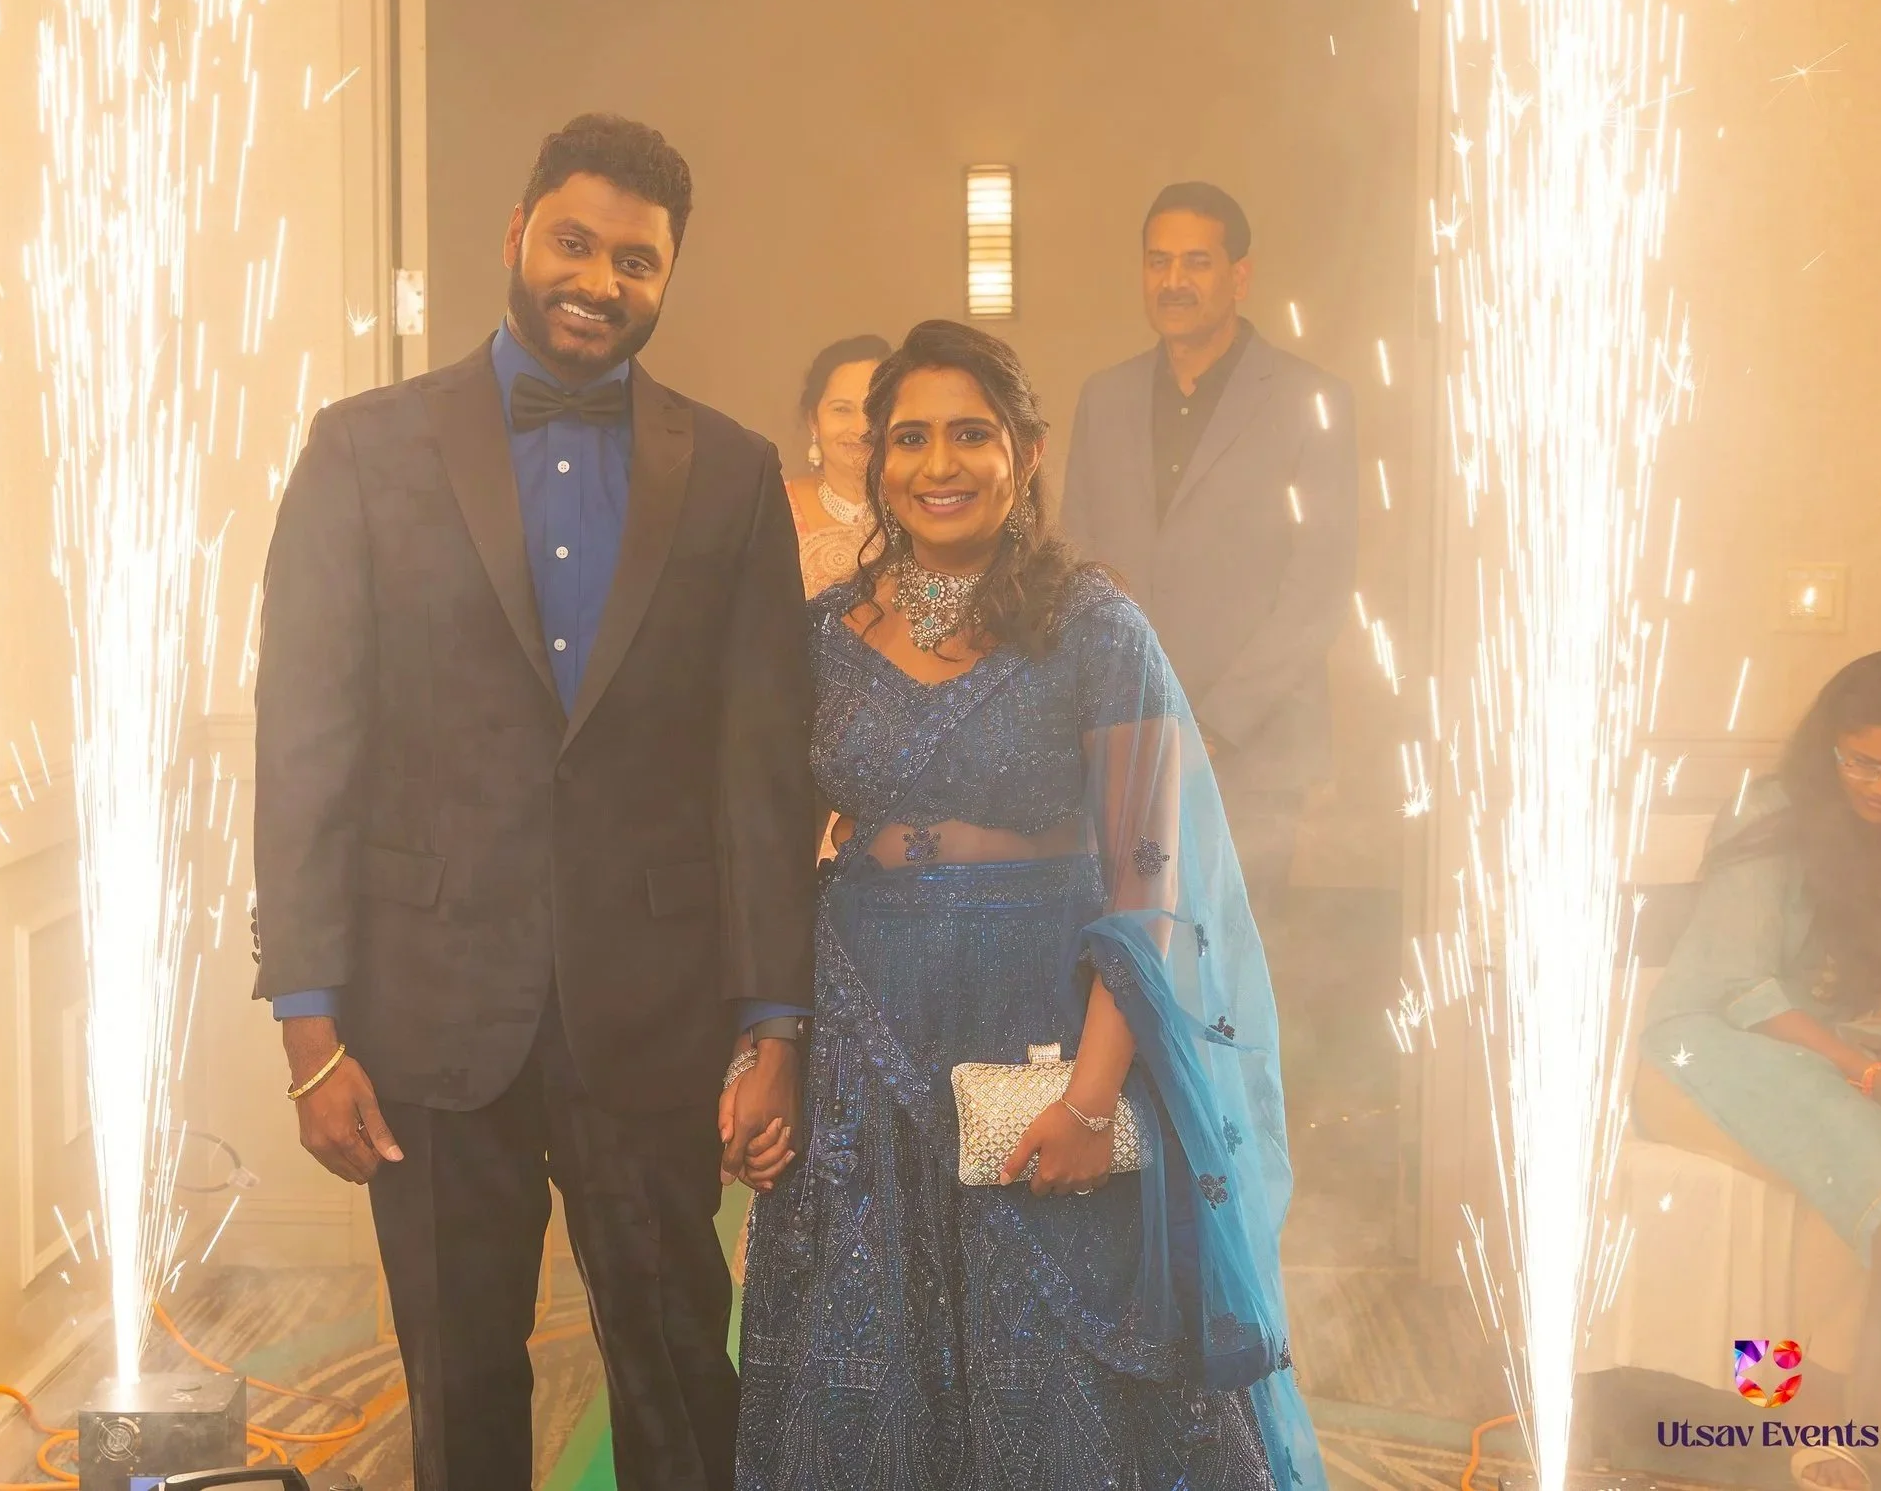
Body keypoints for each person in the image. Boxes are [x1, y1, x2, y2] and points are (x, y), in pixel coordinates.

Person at [250, 113, 820, 1491]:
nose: (599, 277)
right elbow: (305, 738)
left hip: (656, 1004)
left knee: (683, 1367)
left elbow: (762, 762)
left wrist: (773, 1018)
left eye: (637, 259)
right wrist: (310, 1024)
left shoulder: (734, 473)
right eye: (576, 241)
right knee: (460, 1380)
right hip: (426, 1006)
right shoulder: (360, 450)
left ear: (666, 277)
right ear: (516, 236)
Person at [736, 319, 1325, 1491]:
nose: (937, 463)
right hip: (862, 1033)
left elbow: (1148, 874)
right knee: (861, 1354)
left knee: (1055, 1370)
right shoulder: (814, 639)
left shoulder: (1092, 626)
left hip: (1041, 1030)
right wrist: (770, 1045)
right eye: (908, 437)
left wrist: (1095, 1094)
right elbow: (762, 857)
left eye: (971, 433)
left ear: (1026, 452)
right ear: (873, 462)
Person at [1642, 652, 1881, 1491]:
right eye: (1865, 762)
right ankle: (1800, 1416)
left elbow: (1866, 994)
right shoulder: (1766, 811)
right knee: (1849, 1153)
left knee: (1857, 1167)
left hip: (1817, 1057)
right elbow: (1738, 988)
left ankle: (1870, 1409)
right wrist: (1870, 1074)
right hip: (1694, 1056)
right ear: (1828, 746)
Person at [1059, 183, 1356, 924]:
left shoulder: (1309, 400)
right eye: (1157, 262)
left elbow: (1316, 591)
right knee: (1132, 965)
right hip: (1127, 743)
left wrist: (1214, 726)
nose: (1173, 281)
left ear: (1239, 276)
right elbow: (1078, 563)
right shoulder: (1106, 397)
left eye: (1196, 262)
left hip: (1253, 755)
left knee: (1235, 977)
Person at [785, 333, 890, 595]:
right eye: (842, 409)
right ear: (813, 422)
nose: (861, 428)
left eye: (874, 410)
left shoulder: (924, 508)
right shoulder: (774, 505)